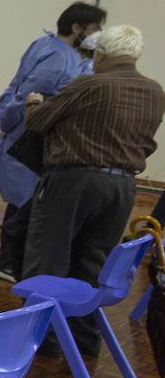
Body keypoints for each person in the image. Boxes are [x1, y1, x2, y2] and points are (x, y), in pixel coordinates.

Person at [23, 24, 165, 357]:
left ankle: (39, 343)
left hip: (74, 181)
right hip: (123, 185)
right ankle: (84, 341)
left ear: (101, 54)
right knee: (93, 265)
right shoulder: (156, 91)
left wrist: (32, 103)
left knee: (48, 260)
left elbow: (39, 121)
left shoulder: (89, 83)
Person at [0, 2, 104, 282]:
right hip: (33, 136)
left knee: (25, 201)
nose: (99, 33)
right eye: (96, 27)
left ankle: (11, 260)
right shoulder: (57, 58)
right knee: (26, 202)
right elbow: (29, 95)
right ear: (77, 27)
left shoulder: (51, 46)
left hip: (30, 134)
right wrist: (9, 120)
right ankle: (8, 261)